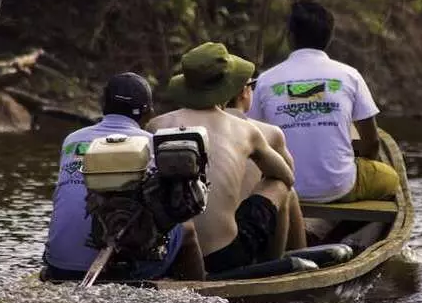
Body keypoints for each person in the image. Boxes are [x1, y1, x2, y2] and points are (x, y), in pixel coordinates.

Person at [247, 0, 400, 241]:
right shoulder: (349, 75)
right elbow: (372, 143)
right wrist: (355, 159)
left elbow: (250, 138)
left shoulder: (266, 80)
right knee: (391, 179)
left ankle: (298, 234)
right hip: (339, 186)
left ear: (290, 36)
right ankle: (333, 237)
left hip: (283, 185)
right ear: (329, 37)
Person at [147, 42, 302, 275]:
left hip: (173, 251)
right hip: (224, 257)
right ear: (229, 87)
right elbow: (287, 176)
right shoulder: (246, 130)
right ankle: (271, 266)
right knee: (279, 186)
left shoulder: (157, 125)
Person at [43, 72, 205, 281]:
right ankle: (199, 290)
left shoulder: (72, 141)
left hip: (59, 265)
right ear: (148, 113)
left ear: (103, 105)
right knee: (187, 229)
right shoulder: (153, 144)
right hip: (119, 270)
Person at [225, 76, 306, 251]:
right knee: (285, 189)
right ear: (244, 92)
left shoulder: (181, 125)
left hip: (198, 231)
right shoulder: (266, 131)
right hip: (238, 237)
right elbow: (289, 176)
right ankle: (289, 257)